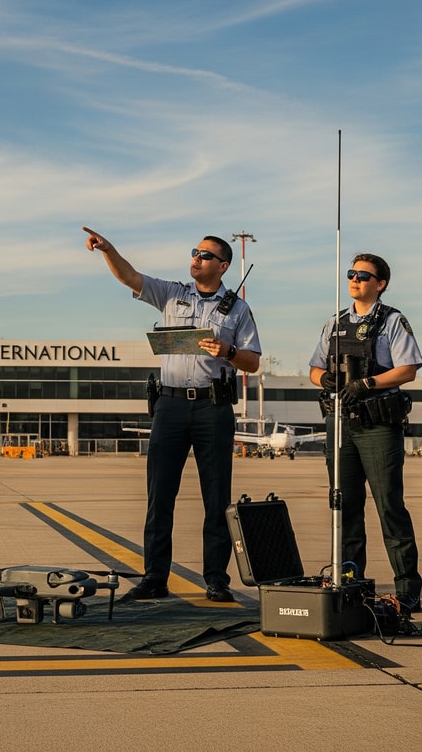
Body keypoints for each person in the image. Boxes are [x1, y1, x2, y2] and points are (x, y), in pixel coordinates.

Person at [82, 227, 260, 602]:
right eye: (195, 252)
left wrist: (227, 351)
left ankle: (216, 580)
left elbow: (253, 362)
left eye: (206, 255)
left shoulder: (238, 309)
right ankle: (154, 578)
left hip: (213, 408)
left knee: (216, 498)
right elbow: (131, 277)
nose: (196, 257)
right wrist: (109, 250)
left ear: (223, 266)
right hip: (171, 405)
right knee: (159, 495)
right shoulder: (172, 293)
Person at [308, 254, 422, 618]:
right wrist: (325, 379)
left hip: (377, 425)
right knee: (345, 506)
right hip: (341, 424)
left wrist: (368, 383)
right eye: (351, 274)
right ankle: (350, 583)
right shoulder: (335, 323)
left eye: (363, 275)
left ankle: (408, 590)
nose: (355, 280)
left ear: (381, 283)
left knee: (390, 507)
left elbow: (408, 370)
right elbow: (314, 368)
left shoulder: (392, 321)